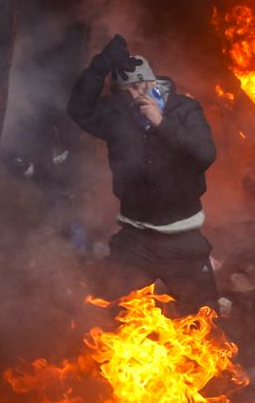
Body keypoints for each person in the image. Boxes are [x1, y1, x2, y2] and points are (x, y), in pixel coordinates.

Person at [67, 34, 218, 312]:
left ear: (152, 82)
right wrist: (100, 66)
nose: (136, 96)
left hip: (182, 241)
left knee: (205, 319)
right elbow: (79, 109)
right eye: (128, 91)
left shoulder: (184, 110)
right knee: (102, 309)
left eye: (140, 87)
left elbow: (205, 154)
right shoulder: (119, 114)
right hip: (135, 239)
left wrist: (160, 123)